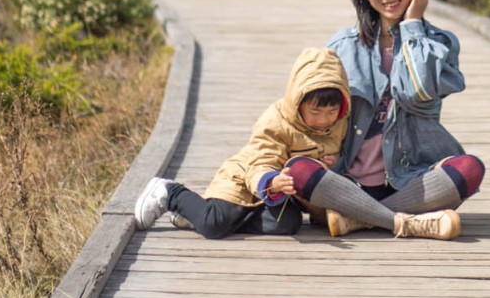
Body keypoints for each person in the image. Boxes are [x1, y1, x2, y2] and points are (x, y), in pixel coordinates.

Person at [133, 46, 461, 240]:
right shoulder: (277, 119)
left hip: (282, 196)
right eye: (316, 112)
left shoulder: (340, 122)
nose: (324, 120)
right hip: (246, 181)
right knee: (215, 224)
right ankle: (171, 194)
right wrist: (269, 180)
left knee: (287, 226)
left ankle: (193, 214)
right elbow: (259, 157)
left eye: (332, 111)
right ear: (297, 100)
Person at [323, 0, 486, 235]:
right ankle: (408, 221)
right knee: (300, 172)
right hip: (349, 180)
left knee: (469, 169)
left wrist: (412, 26)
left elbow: (417, 92)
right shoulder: (342, 46)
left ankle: (360, 217)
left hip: (410, 177)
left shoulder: (439, 44)